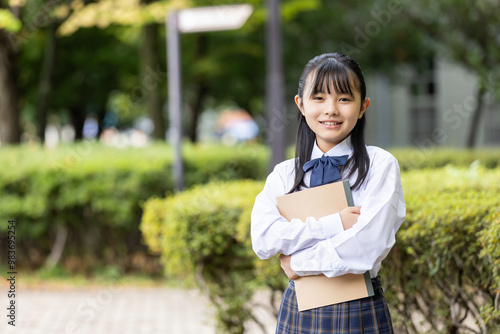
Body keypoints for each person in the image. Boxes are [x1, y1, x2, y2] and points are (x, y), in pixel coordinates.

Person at [250, 53, 406, 333]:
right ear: (301, 104)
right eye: (319, 97)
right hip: (297, 308)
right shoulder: (285, 174)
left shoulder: (379, 166)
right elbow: (263, 239)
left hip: (360, 310)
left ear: (363, 107)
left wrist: (298, 261)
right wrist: (334, 224)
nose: (331, 109)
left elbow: (367, 247)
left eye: (344, 99)